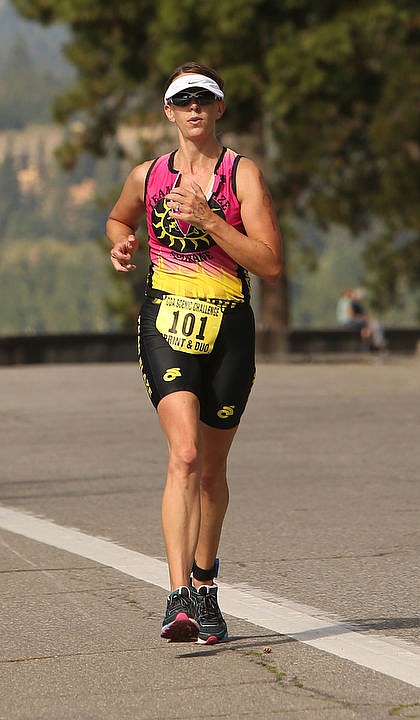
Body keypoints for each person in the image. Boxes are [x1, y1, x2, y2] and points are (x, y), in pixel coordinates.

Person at [106, 61, 282, 644]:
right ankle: (179, 596)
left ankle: (206, 583)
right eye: (183, 101)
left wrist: (210, 220)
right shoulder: (148, 175)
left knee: (210, 467)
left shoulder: (242, 176)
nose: (194, 109)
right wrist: (123, 244)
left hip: (229, 324)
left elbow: (269, 262)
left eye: (204, 100)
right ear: (169, 112)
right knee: (183, 454)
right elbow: (116, 218)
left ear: (219, 109)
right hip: (166, 319)